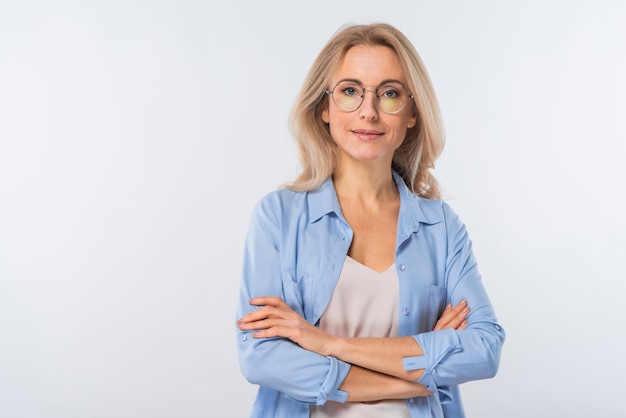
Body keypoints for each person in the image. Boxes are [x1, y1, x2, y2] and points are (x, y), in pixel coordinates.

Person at [236, 22, 505, 418]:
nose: (369, 111)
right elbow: (261, 359)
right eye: (350, 91)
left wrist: (327, 343)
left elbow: (485, 350)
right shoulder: (277, 217)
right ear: (324, 108)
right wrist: (417, 372)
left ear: (412, 112)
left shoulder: (441, 227)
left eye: (390, 94)